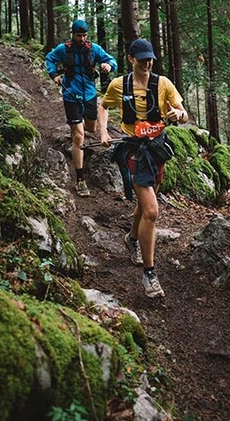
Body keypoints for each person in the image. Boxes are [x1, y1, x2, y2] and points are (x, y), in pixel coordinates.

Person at [97, 38, 188, 299]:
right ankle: (150, 273)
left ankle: (132, 239)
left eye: (150, 59)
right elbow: (103, 106)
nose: (147, 63)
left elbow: (184, 114)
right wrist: (103, 131)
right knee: (151, 210)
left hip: (156, 149)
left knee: (143, 204)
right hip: (132, 150)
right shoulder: (119, 85)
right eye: (142, 59)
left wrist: (177, 116)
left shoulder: (163, 84)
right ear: (130, 59)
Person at [45, 19, 117, 197]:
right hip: (71, 94)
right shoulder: (64, 48)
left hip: (90, 94)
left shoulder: (94, 49)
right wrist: (54, 75)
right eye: (79, 35)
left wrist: (109, 65)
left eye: (84, 35)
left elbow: (111, 60)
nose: (82, 38)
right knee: (78, 136)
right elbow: (49, 59)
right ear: (73, 34)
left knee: (90, 128)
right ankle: (80, 179)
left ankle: (80, 129)